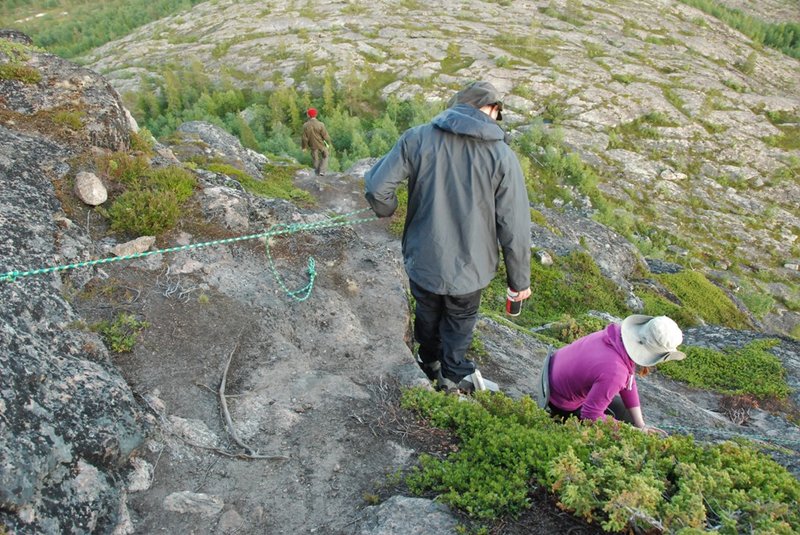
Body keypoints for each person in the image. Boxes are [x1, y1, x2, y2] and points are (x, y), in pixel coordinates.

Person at [364, 81, 532, 393]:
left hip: (424, 256)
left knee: (427, 310)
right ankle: (453, 376)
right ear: (491, 108)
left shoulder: (418, 137)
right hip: (471, 266)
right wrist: (518, 282)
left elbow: (377, 188)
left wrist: (387, 208)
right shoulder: (502, 157)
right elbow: (515, 227)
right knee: (460, 320)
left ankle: (428, 362)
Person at [534, 315, 686, 435]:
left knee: (624, 411)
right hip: (560, 403)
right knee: (622, 421)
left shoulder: (615, 337)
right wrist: (634, 431)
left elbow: (629, 382)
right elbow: (590, 414)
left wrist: (641, 424)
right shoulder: (615, 371)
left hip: (549, 379)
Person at [301, 108, 331, 176]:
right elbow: (325, 136)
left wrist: (304, 147)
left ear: (308, 115)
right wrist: (328, 143)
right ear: (316, 115)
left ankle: (317, 172)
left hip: (312, 145)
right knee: (325, 156)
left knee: (315, 158)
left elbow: (304, 138)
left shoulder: (305, 125)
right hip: (321, 144)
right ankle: (322, 171)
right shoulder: (321, 124)